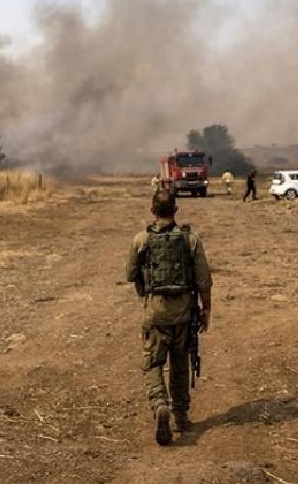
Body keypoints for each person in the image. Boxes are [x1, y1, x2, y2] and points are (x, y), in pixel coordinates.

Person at [125, 190, 212, 445]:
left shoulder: (141, 240)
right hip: (184, 313)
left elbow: (131, 274)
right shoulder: (190, 241)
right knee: (180, 364)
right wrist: (206, 310)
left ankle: (159, 403)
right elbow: (204, 281)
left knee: (153, 364)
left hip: (155, 312)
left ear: (153, 212)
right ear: (175, 211)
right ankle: (181, 416)